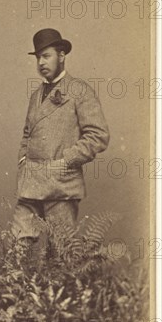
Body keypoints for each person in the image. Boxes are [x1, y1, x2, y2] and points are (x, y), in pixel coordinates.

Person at [12, 28, 110, 245]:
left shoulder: (79, 90)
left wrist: (66, 161)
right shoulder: (36, 95)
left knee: (62, 251)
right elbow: (27, 134)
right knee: (19, 246)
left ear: (62, 56)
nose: (41, 63)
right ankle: (19, 280)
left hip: (61, 185)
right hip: (31, 182)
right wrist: (23, 160)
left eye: (46, 56)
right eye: (38, 58)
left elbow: (98, 135)